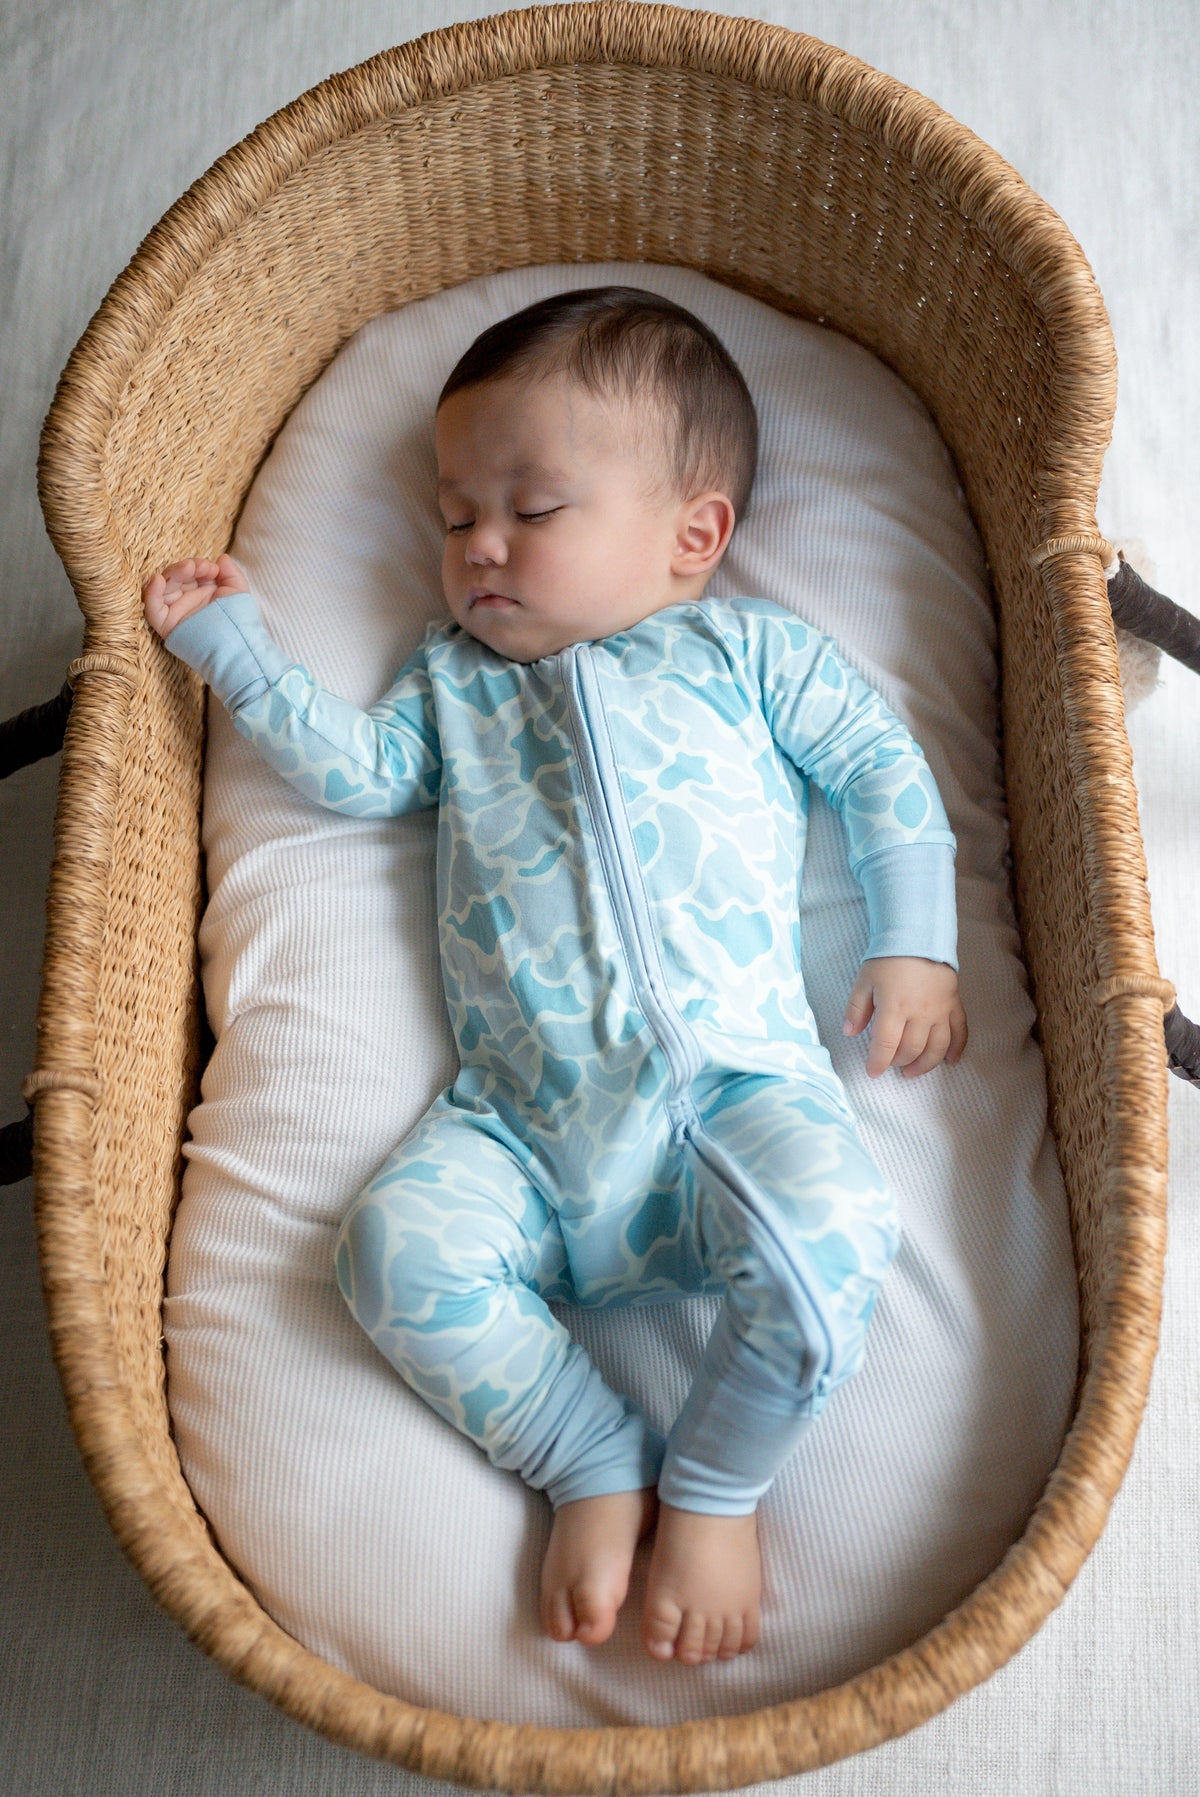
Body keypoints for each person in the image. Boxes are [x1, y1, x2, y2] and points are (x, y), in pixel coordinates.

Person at [144, 285, 967, 1670]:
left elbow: (881, 767)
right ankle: (589, 1453)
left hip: (731, 1097)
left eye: (533, 509)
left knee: (837, 1234)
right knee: (389, 1253)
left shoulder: (746, 651)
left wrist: (917, 943)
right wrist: (236, 647)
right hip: (519, 1124)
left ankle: (716, 1486)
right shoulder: (452, 682)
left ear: (693, 535)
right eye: (454, 514)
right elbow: (358, 771)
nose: (480, 544)